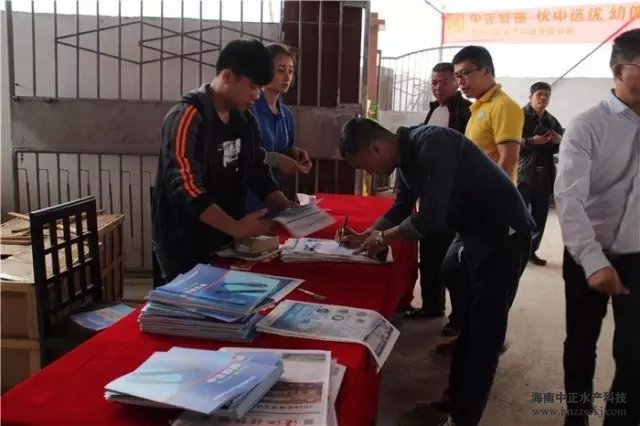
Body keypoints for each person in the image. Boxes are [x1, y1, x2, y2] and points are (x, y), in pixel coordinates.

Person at [337, 118, 534, 426]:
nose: (370, 174)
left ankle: (464, 417)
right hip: (472, 230)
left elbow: (429, 219)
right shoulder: (404, 156)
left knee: (483, 335)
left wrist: (384, 239)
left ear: (375, 148)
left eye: (365, 166)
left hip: (503, 233)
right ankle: (454, 400)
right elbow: (402, 206)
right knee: (457, 287)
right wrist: (369, 234)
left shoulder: (433, 143)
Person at [152, 39, 297, 282]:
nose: (257, 95)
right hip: (183, 240)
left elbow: (256, 167)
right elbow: (185, 185)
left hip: (223, 239)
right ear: (228, 77)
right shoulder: (188, 115)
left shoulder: (245, 119)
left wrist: (283, 204)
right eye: (252, 87)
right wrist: (235, 226)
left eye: (260, 88)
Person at [554, 28, 639, 426]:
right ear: (619, 71)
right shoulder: (587, 126)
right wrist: (592, 261)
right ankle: (577, 417)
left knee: (634, 350)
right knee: (581, 342)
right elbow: (569, 199)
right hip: (588, 250)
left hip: (638, 256)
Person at [436, 45, 526, 350]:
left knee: (484, 279)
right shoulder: (478, 108)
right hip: (472, 209)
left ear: (486, 71)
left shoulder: (504, 106)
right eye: (457, 76)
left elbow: (507, 161)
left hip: (492, 212)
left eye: (465, 74)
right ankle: (469, 334)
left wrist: (490, 208)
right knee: (455, 270)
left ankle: (484, 342)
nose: (460, 81)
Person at [405, 62, 471, 322]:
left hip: (454, 196)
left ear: (456, 82)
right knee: (430, 253)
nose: (438, 87)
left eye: (444, 82)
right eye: (434, 82)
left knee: (452, 260)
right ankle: (432, 305)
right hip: (431, 194)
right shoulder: (434, 110)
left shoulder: (466, 112)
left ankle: (459, 318)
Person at [246, 43, 312, 214]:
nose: (287, 77)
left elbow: (284, 148)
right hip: (249, 200)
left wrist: (294, 154)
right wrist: (277, 159)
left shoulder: (286, 115)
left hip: (276, 199)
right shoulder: (249, 109)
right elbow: (242, 155)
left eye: (291, 71)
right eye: (281, 71)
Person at [518, 81, 564, 266]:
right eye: (539, 95)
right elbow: (509, 143)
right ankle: (515, 251)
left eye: (546, 95)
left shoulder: (551, 121)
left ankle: (531, 251)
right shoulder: (518, 116)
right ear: (530, 97)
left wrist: (558, 141)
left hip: (544, 175)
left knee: (540, 216)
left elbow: (561, 147)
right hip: (523, 174)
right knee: (519, 215)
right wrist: (531, 141)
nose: (543, 98)